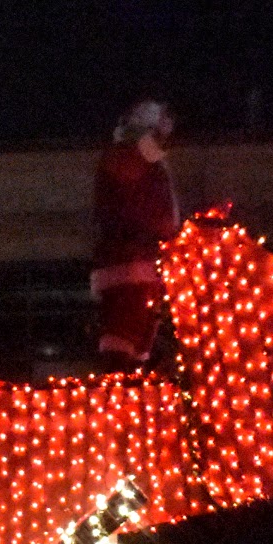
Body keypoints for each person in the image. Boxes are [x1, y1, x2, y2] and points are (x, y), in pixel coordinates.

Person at [91, 100, 180, 370]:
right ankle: (120, 393)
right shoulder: (124, 157)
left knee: (140, 344)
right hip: (128, 266)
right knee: (122, 342)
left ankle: (133, 389)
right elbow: (136, 166)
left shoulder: (145, 163)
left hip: (144, 265)